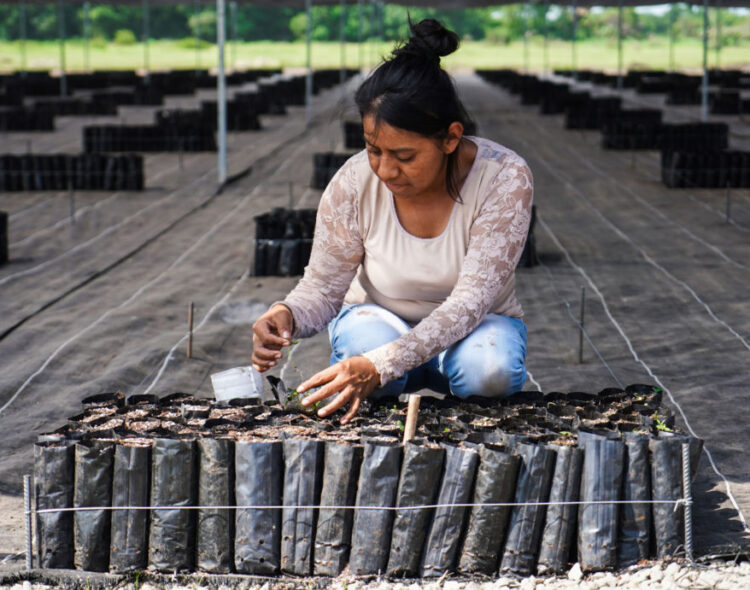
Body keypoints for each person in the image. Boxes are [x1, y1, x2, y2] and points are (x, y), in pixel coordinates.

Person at [252, 18, 533, 424]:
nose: (385, 170)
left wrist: (380, 365)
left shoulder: (503, 178)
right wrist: (285, 315)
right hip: (378, 320)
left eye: (404, 156)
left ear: (451, 138)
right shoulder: (353, 182)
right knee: (362, 347)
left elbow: (470, 304)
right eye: (373, 149)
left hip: (476, 326)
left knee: (490, 371)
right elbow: (324, 287)